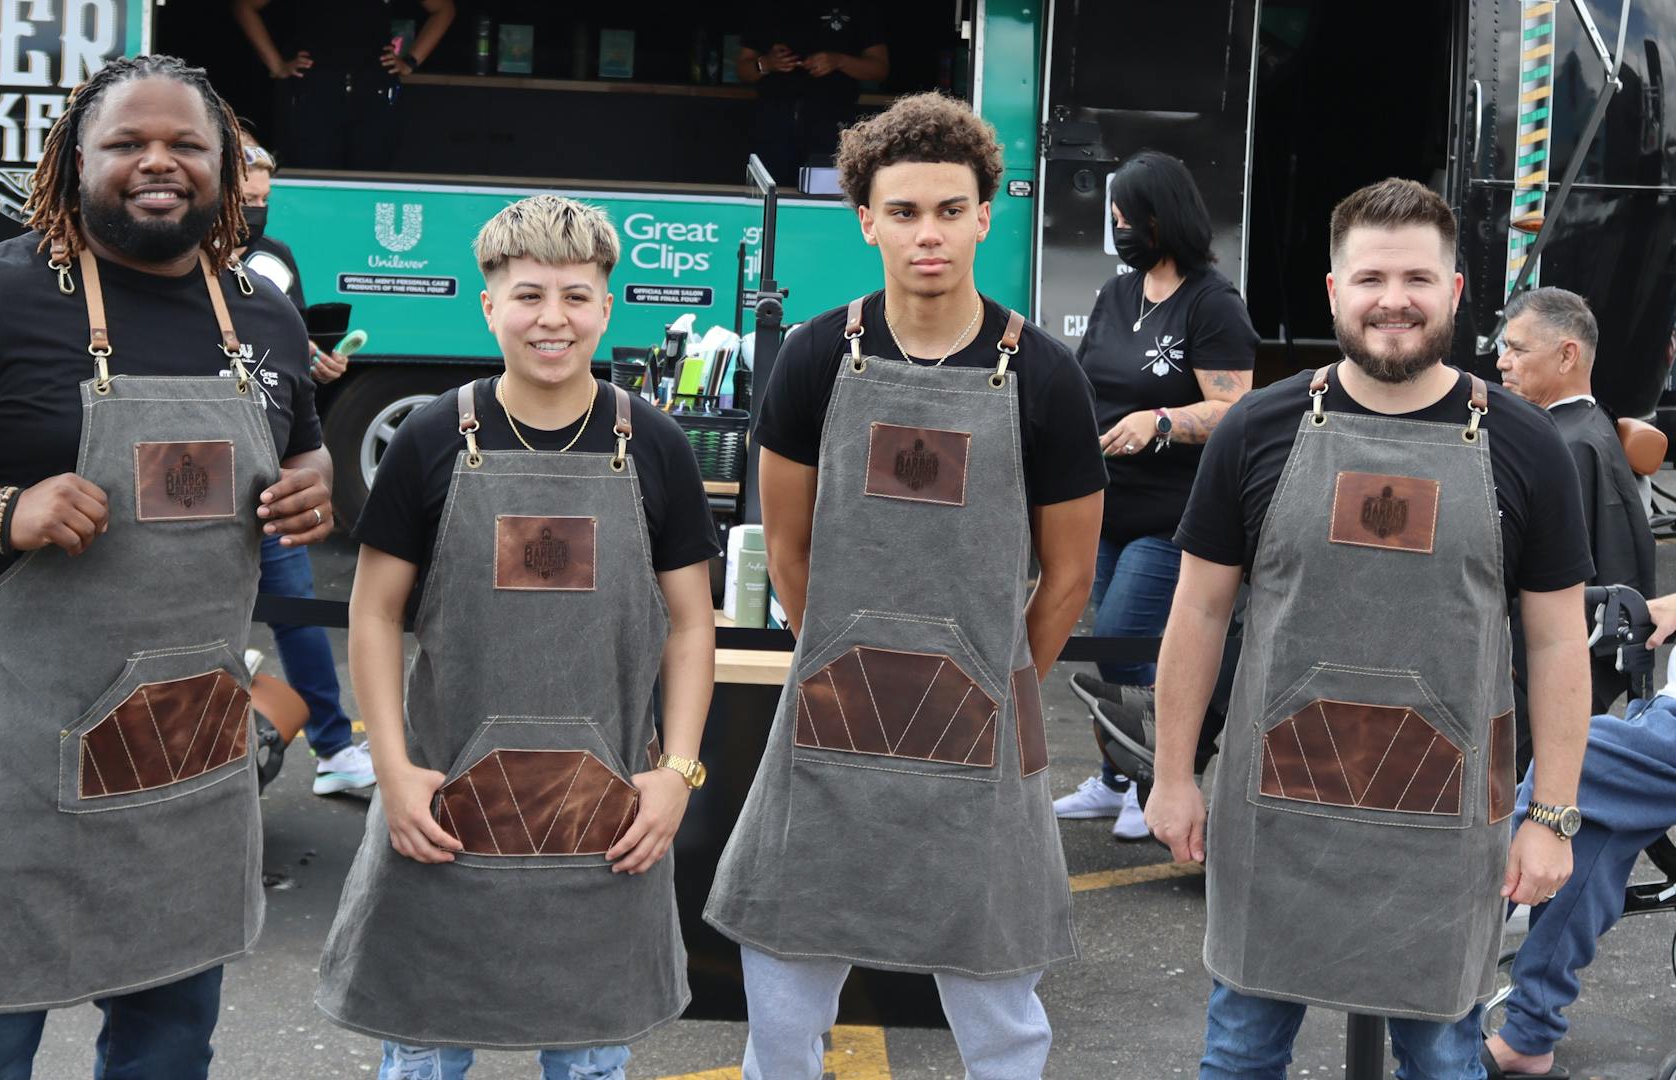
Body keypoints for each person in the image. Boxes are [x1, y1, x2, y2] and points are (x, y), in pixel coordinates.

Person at [0, 55, 332, 1077]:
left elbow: (302, 438)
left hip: (190, 737)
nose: (158, 162)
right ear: (73, 161)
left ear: (224, 166)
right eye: (127, 142)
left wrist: (313, 485)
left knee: (170, 1037)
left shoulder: (258, 316)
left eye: (186, 144)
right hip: (22, 724)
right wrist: (2, 508)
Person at [1146, 178, 1594, 1079]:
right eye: (1372, 278)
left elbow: (1555, 641)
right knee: (1239, 1056)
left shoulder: (1525, 443)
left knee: (1440, 1057)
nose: (1395, 299)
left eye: (1419, 279)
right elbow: (1198, 610)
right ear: (1334, 291)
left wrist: (1552, 816)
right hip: (1274, 813)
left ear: (1457, 292)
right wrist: (1170, 775)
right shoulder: (1259, 428)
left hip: (1445, 828)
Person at [705, 92, 1105, 1080]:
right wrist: (843, 660)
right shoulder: (813, 359)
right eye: (904, 212)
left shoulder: (1047, 375)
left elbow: (1069, 574)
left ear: (982, 215)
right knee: (788, 954)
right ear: (867, 221)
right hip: (832, 707)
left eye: (947, 210)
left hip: (984, 721)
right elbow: (786, 549)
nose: (927, 233)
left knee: (995, 975)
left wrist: (994, 679)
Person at [315, 193, 719, 1080]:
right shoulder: (429, 438)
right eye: (529, 295)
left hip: (604, 821)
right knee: (423, 1056)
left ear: (607, 309)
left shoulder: (653, 444)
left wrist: (677, 772)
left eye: (576, 297)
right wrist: (389, 766)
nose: (553, 319)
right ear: (489, 304)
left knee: (589, 1063)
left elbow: (691, 624)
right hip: (442, 806)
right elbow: (375, 613)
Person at [1053, 150, 1257, 841]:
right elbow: (1088, 385)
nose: (1117, 229)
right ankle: (1115, 779)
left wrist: (1161, 421)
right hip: (1105, 503)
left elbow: (1235, 410)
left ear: (1161, 217)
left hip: (1173, 515)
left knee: (1127, 648)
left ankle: (1162, 779)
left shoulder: (1213, 303)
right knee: (1111, 639)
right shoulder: (1118, 293)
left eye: (1126, 216)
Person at [1483, 592, 1676, 1080]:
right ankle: (1529, 1037)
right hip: (1666, 715)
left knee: (1568, 765)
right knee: (1588, 831)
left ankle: (1437, 965)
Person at [234, 131, 371, 795]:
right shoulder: (169, 263)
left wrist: (322, 365)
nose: (256, 210)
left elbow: (294, 354)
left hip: (272, 465)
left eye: (265, 198)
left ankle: (335, 750)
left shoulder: (276, 260)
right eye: (247, 196)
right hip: (200, 474)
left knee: (297, 609)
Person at [1496, 286, 1655, 715]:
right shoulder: (1587, 428)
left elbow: (1545, 577)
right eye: (1503, 346)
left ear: (1567, 356)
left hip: (1537, 683)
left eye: (1516, 348)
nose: (1502, 361)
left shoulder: (1562, 448)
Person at [233, 0, 456, 171]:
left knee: (371, 178)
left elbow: (443, 9)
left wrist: (410, 61)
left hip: (374, 94)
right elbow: (245, 6)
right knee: (310, 177)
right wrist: (277, 65)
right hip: (311, 93)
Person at [738, 5, 889, 188]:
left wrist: (838, 61)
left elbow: (880, 69)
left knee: (827, 192)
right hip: (775, 121)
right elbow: (743, 70)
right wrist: (766, 63)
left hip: (832, 121)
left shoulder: (858, 8)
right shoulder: (766, 9)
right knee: (770, 195)